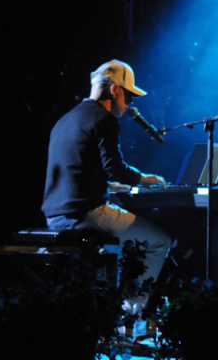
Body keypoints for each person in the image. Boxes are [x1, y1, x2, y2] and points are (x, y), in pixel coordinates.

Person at [42, 59, 171, 287]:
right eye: (128, 96)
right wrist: (145, 179)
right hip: (85, 214)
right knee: (158, 242)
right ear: (115, 90)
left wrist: (108, 185)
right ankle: (132, 306)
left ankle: (110, 299)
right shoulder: (104, 119)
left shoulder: (65, 120)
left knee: (120, 247)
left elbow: (74, 170)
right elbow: (115, 169)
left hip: (56, 216)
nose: (129, 103)